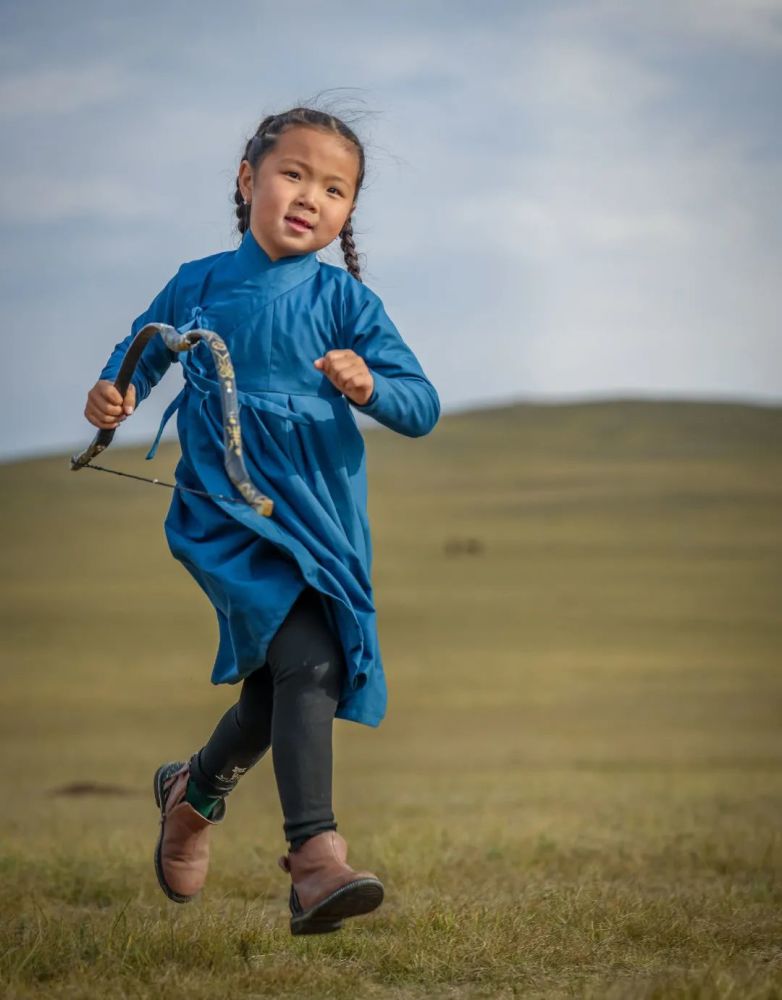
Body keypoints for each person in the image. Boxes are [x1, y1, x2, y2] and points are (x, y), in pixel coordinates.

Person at [83, 107, 440, 935]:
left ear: (348, 212)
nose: (310, 195)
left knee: (284, 682)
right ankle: (316, 861)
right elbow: (137, 354)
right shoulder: (199, 281)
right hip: (229, 510)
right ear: (247, 183)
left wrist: (367, 384)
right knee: (308, 662)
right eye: (293, 174)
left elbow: (420, 407)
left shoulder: (347, 300)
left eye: (335, 188)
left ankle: (192, 792)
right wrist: (113, 396)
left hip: (319, 513)